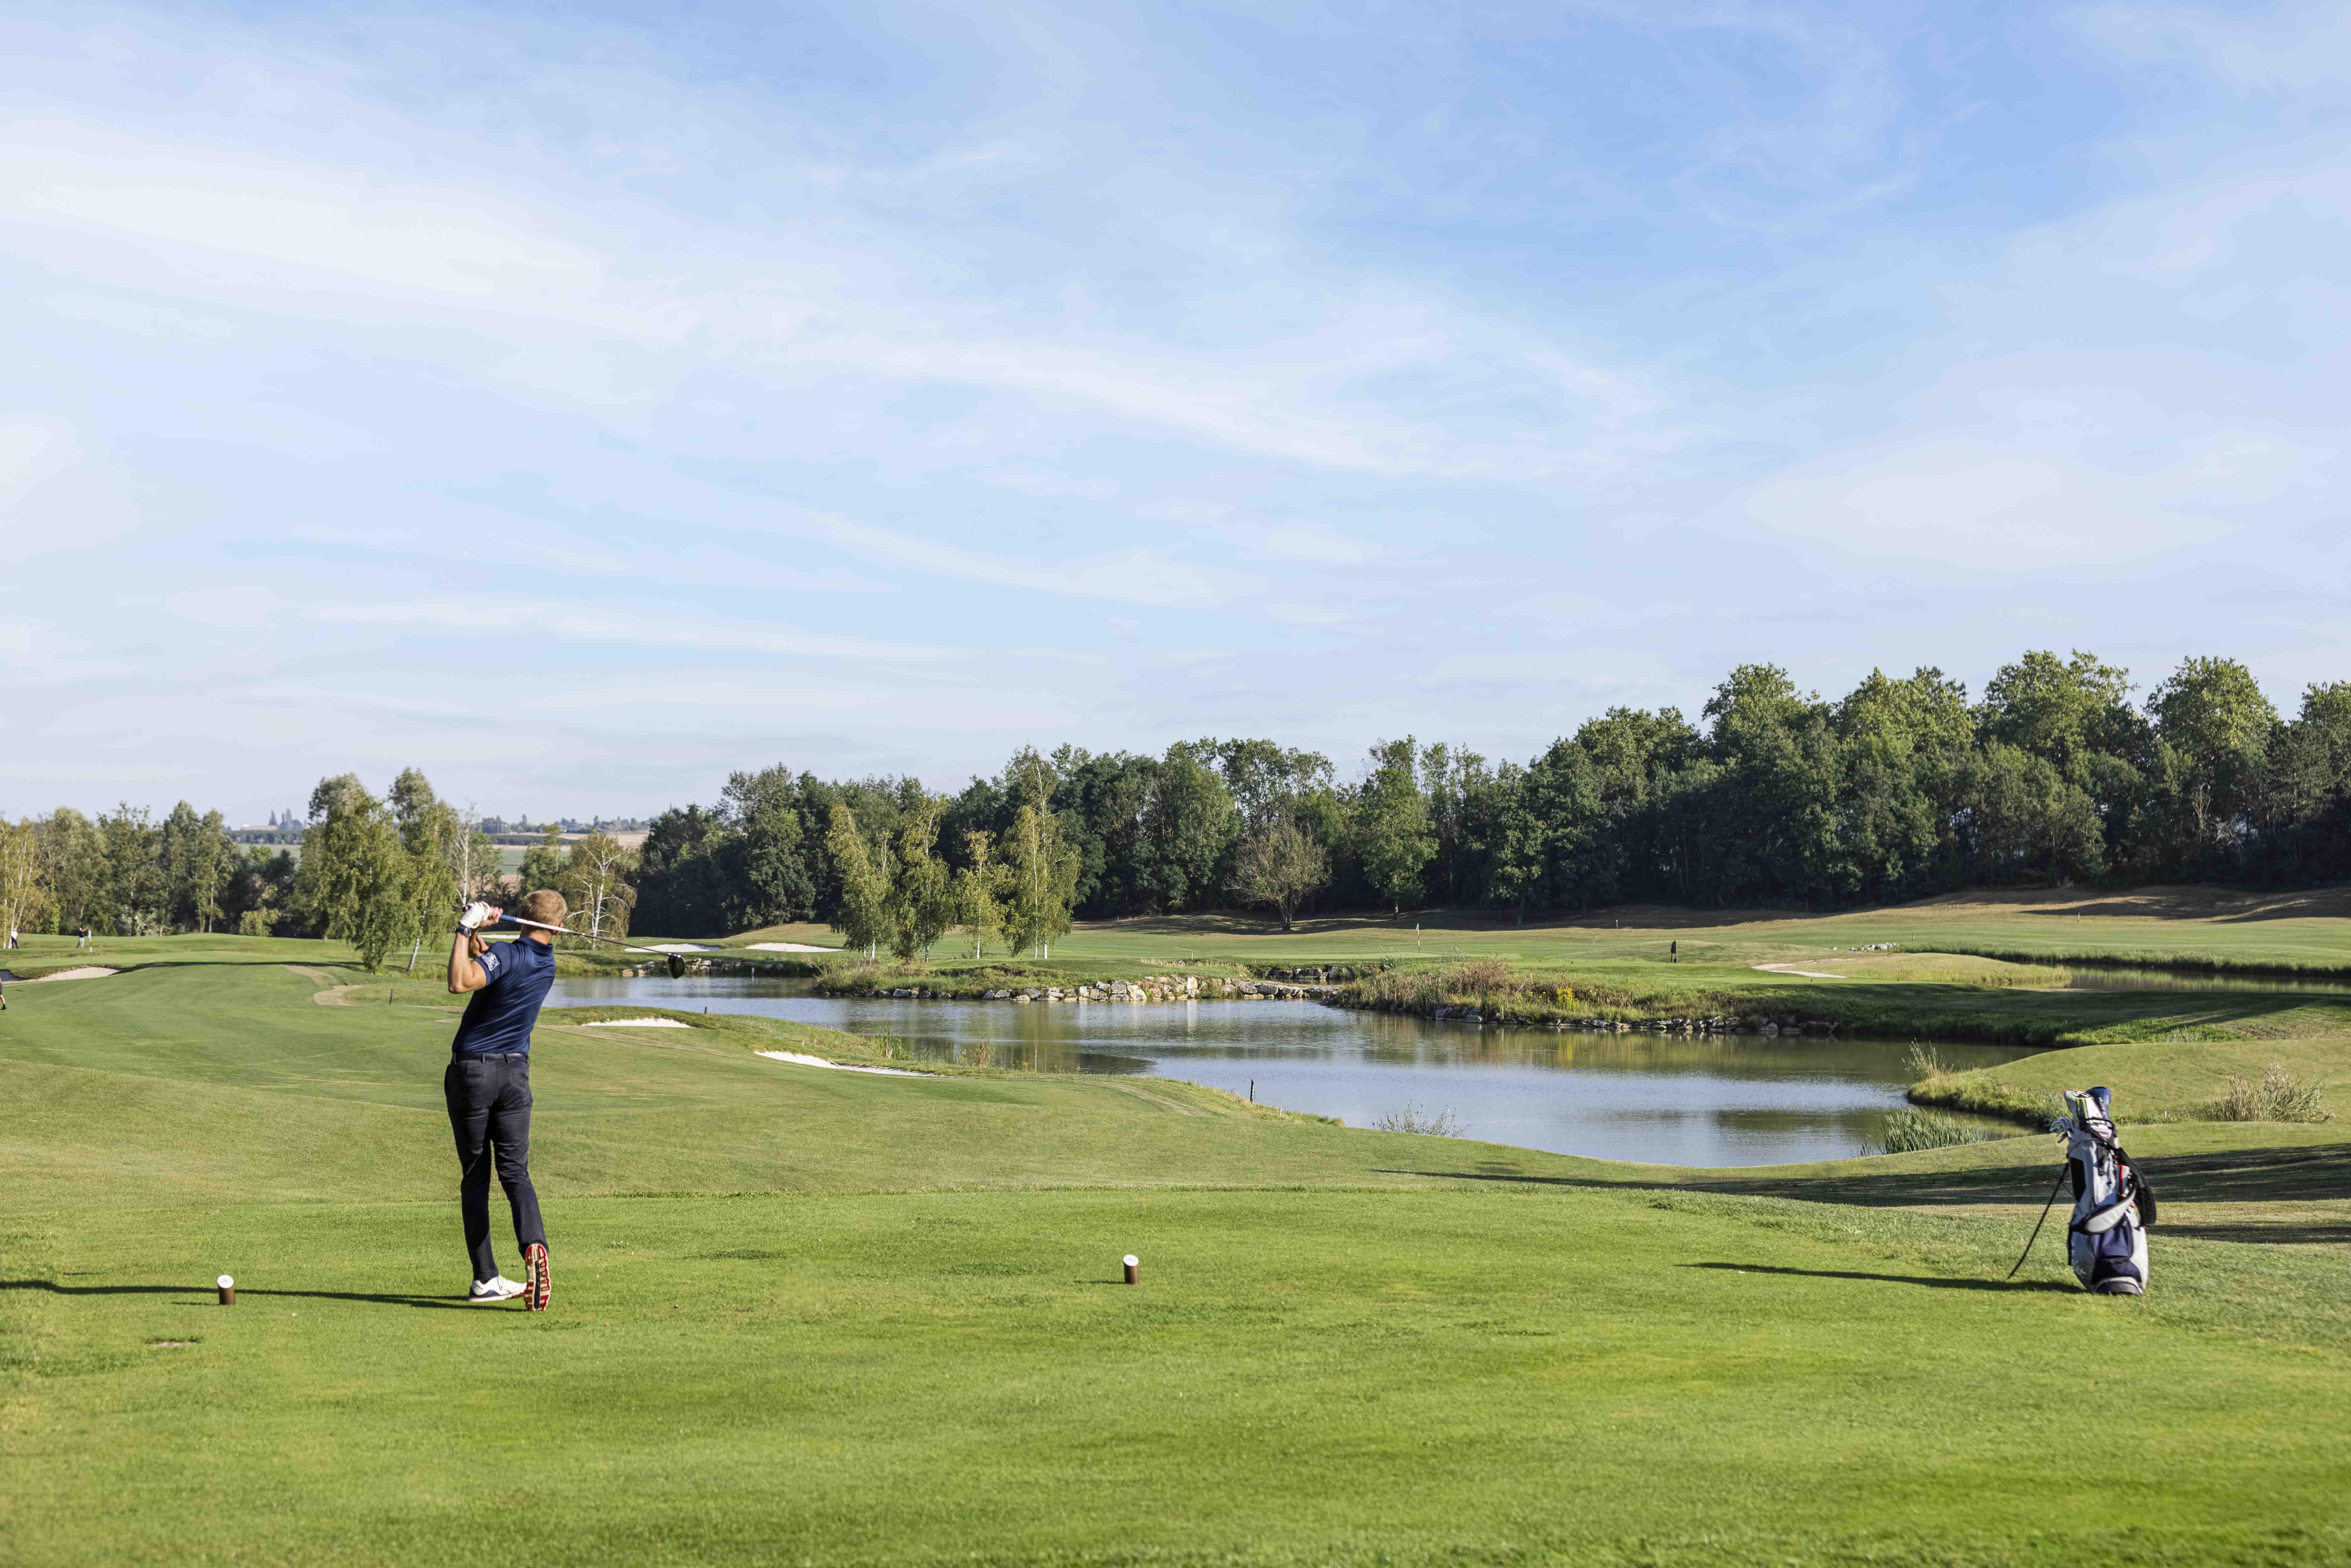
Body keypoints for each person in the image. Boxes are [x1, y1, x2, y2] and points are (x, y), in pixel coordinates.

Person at [444, 890, 565, 1309]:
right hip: (516, 1076)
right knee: (516, 1173)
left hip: (474, 1073)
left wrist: (464, 927)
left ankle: (485, 1279)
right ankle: (534, 1245)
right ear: (560, 928)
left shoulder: (509, 957)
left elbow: (461, 981)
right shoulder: (545, 965)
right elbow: (488, 964)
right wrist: (479, 932)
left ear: (523, 919)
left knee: (477, 1177)